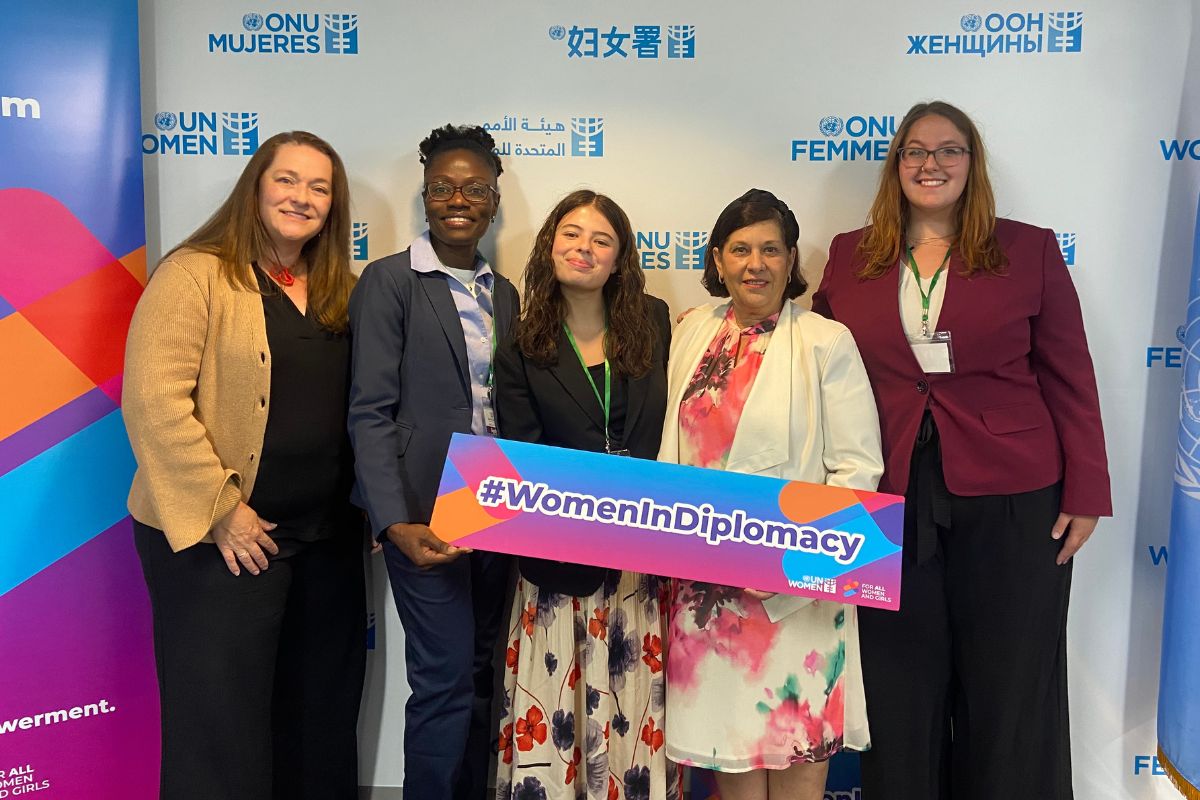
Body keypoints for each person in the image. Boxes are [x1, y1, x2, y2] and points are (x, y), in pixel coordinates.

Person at [812, 100, 1112, 800]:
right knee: (899, 688)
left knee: (1007, 687)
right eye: (915, 151)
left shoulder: (1027, 249)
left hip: (1014, 495)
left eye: (949, 151)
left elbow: (1070, 374)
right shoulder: (851, 255)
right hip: (885, 495)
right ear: (896, 167)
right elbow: (815, 364)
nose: (931, 164)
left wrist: (1087, 492)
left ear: (972, 165)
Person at [123, 130, 365, 799]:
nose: (302, 197)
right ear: (255, 187)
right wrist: (221, 510)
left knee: (318, 725)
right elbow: (151, 401)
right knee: (220, 732)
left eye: (320, 188)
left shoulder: (344, 289)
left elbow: (371, 410)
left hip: (326, 544)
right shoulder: (194, 273)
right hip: (222, 542)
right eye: (287, 180)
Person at [658, 189, 883, 800]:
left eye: (770, 250)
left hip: (799, 592)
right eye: (740, 249)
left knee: (795, 774)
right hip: (708, 594)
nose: (754, 263)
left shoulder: (826, 340)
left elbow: (859, 468)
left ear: (790, 261)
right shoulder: (689, 331)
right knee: (731, 777)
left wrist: (796, 559)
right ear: (718, 259)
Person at [347, 124, 519, 800]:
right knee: (444, 678)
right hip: (424, 513)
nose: (458, 199)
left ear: (493, 199)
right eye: (443, 187)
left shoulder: (502, 292)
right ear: (425, 195)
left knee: (482, 673)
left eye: (473, 188)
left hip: (497, 507)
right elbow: (369, 411)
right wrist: (393, 522)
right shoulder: (391, 282)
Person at [491, 190, 680, 800]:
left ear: (621, 258)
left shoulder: (653, 321)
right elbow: (523, 459)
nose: (585, 249)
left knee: (632, 725)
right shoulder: (523, 344)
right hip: (556, 570)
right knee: (560, 727)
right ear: (549, 246)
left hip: (637, 567)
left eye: (602, 240)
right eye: (571, 235)